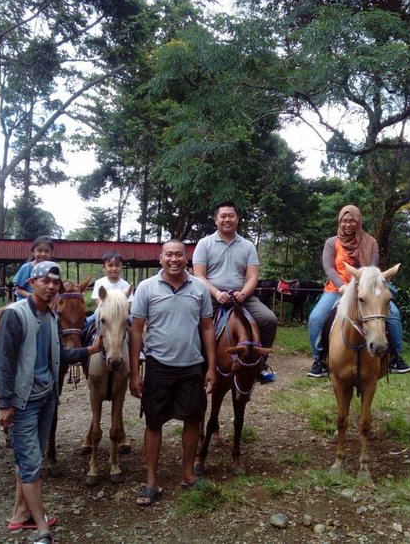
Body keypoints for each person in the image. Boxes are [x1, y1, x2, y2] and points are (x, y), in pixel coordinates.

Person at [0, 261, 102, 543]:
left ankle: (20, 513)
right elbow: (4, 363)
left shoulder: (52, 318)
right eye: (45, 281)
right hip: (22, 401)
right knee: (31, 463)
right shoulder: (15, 316)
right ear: (32, 283)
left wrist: (89, 349)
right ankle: (42, 528)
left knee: (31, 458)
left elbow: (59, 356)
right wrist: (4, 403)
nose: (51, 286)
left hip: (46, 399)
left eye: (55, 282)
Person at [129, 240, 217, 506]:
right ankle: (151, 481)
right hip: (158, 366)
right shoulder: (146, 288)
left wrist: (211, 367)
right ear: (161, 258)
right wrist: (135, 372)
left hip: (192, 366)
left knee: (192, 420)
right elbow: (135, 331)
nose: (174, 259)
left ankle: (188, 474)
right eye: (169, 254)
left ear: (186, 258)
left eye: (179, 254)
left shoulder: (199, 287)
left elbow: (207, 328)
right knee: (153, 422)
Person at [307, 205, 410, 377]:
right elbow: (328, 267)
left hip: (367, 288)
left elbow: (372, 268)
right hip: (338, 287)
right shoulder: (331, 242)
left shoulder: (370, 242)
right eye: (344, 221)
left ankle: (396, 357)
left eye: (352, 221)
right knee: (316, 318)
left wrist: (363, 285)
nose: (348, 225)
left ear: (358, 222)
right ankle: (319, 360)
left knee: (393, 314)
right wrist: (341, 285)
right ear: (339, 222)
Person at [192, 201, 277, 383]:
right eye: (223, 216)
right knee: (192, 323)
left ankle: (259, 365)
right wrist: (216, 293)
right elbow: (198, 275)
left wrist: (244, 294)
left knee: (269, 320)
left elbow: (253, 277)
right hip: (212, 297)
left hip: (242, 297)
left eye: (231, 216)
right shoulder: (204, 244)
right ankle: (197, 366)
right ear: (215, 220)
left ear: (238, 219)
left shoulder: (247, 246)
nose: (227, 219)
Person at [85, 251, 133, 330]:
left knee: (136, 328)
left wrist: (119, 312)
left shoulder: (125, 284)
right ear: (104, 267)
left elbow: (129, 302)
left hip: (121, 315)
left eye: (117, 265)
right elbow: (98, 301)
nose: (114, 268)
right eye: (110, 265)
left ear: (121, 267)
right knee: (84, 325)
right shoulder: (99, 283)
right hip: (102, 314)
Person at [13, 236, 55, 301]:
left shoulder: (53, 269)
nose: (43, 254)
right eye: (39, 250)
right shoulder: (27, 267)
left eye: (47, 251)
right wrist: (33, 297)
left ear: (51, 253)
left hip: (44, 304)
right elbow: (18, 290)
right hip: (26, 304)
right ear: (33, 251)